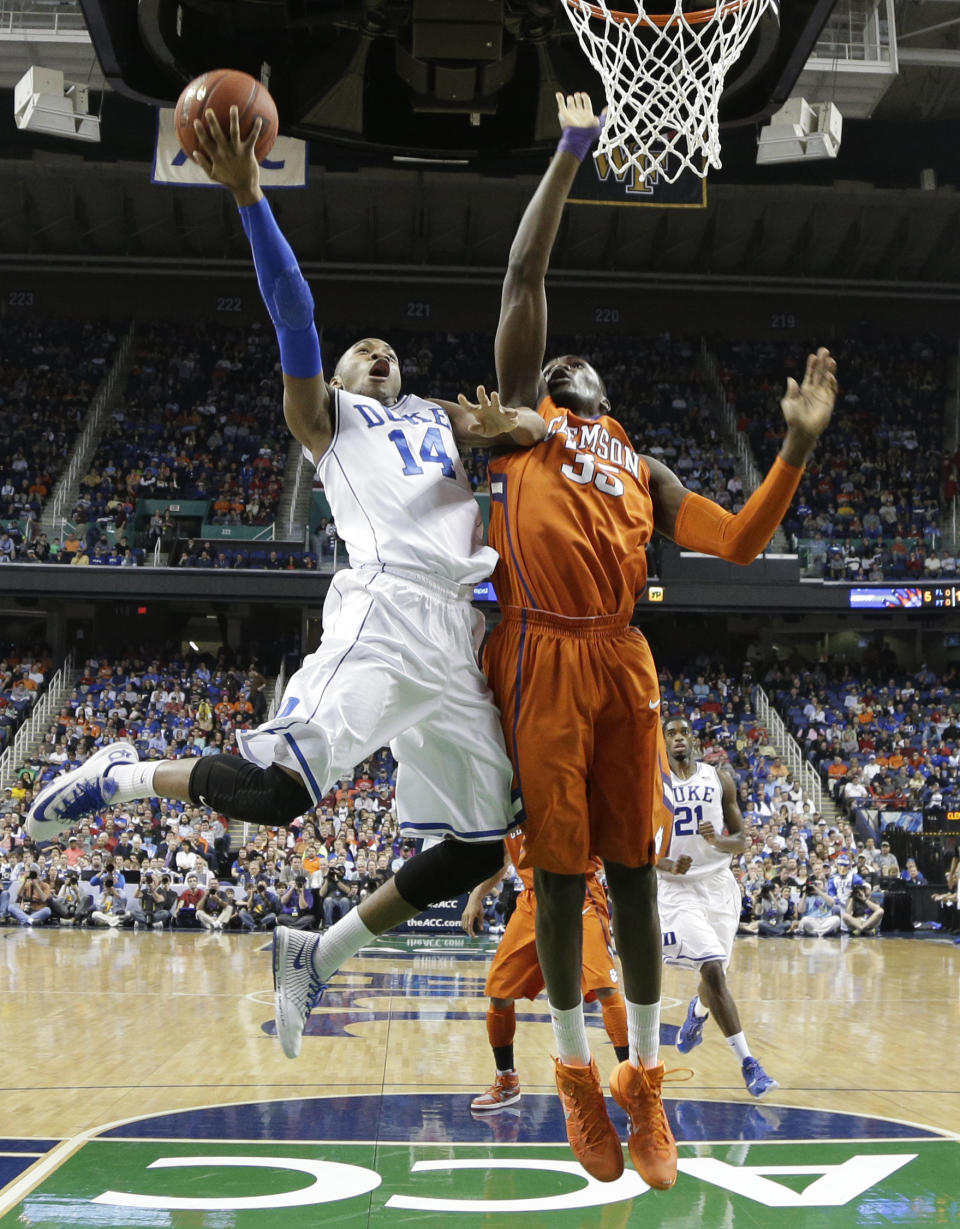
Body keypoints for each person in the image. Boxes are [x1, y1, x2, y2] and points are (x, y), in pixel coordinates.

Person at [26, 103, 545, 1060]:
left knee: (486, 839)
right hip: (384, 612)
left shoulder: (436, 414)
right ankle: (121, 774)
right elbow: (297, 312)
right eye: (363, 351)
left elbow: (525, 416)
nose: (378, 351)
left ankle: (320, 950)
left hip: (458, 635)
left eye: (389, 349)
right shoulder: (328, 416)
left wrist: (516, 431)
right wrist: (250, 197)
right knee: (276, 794)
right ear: (338, 377)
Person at [480, 93, 835, 1188]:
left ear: (605, 392)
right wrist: (571, 156)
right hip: (538, 646)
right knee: (555, 875)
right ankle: (577, 1078)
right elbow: (525, 279)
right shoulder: (523, 429)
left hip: (620, 653)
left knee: (632, 878)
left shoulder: (643, 463)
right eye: (553, 365)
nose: (566, 363)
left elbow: (734, 542)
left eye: (578, 366)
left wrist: (795, 449)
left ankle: (645, 1086)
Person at [461, 833, 628, 1112]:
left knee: (605, 988)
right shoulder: (507, 797)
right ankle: (506, 1081)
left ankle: (634, 1086)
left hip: (579, 889)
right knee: (499, 991)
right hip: (531, 898)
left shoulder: (563, 790)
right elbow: (505, 858)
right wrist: (476, 895)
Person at [656, 714, 778, 1097]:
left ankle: (698, 1013)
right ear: (662, 743)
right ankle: (749, 1064)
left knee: (715, 978)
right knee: (711, 968)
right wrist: (665, 864)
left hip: (720, 885)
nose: (678, 738)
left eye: (683, 732)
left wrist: (718, 841)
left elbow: (742, 840)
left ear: (694, 739)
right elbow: (637, 848)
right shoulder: (651, 783)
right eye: (670, 733)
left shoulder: (718, 778)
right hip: (677, 889)